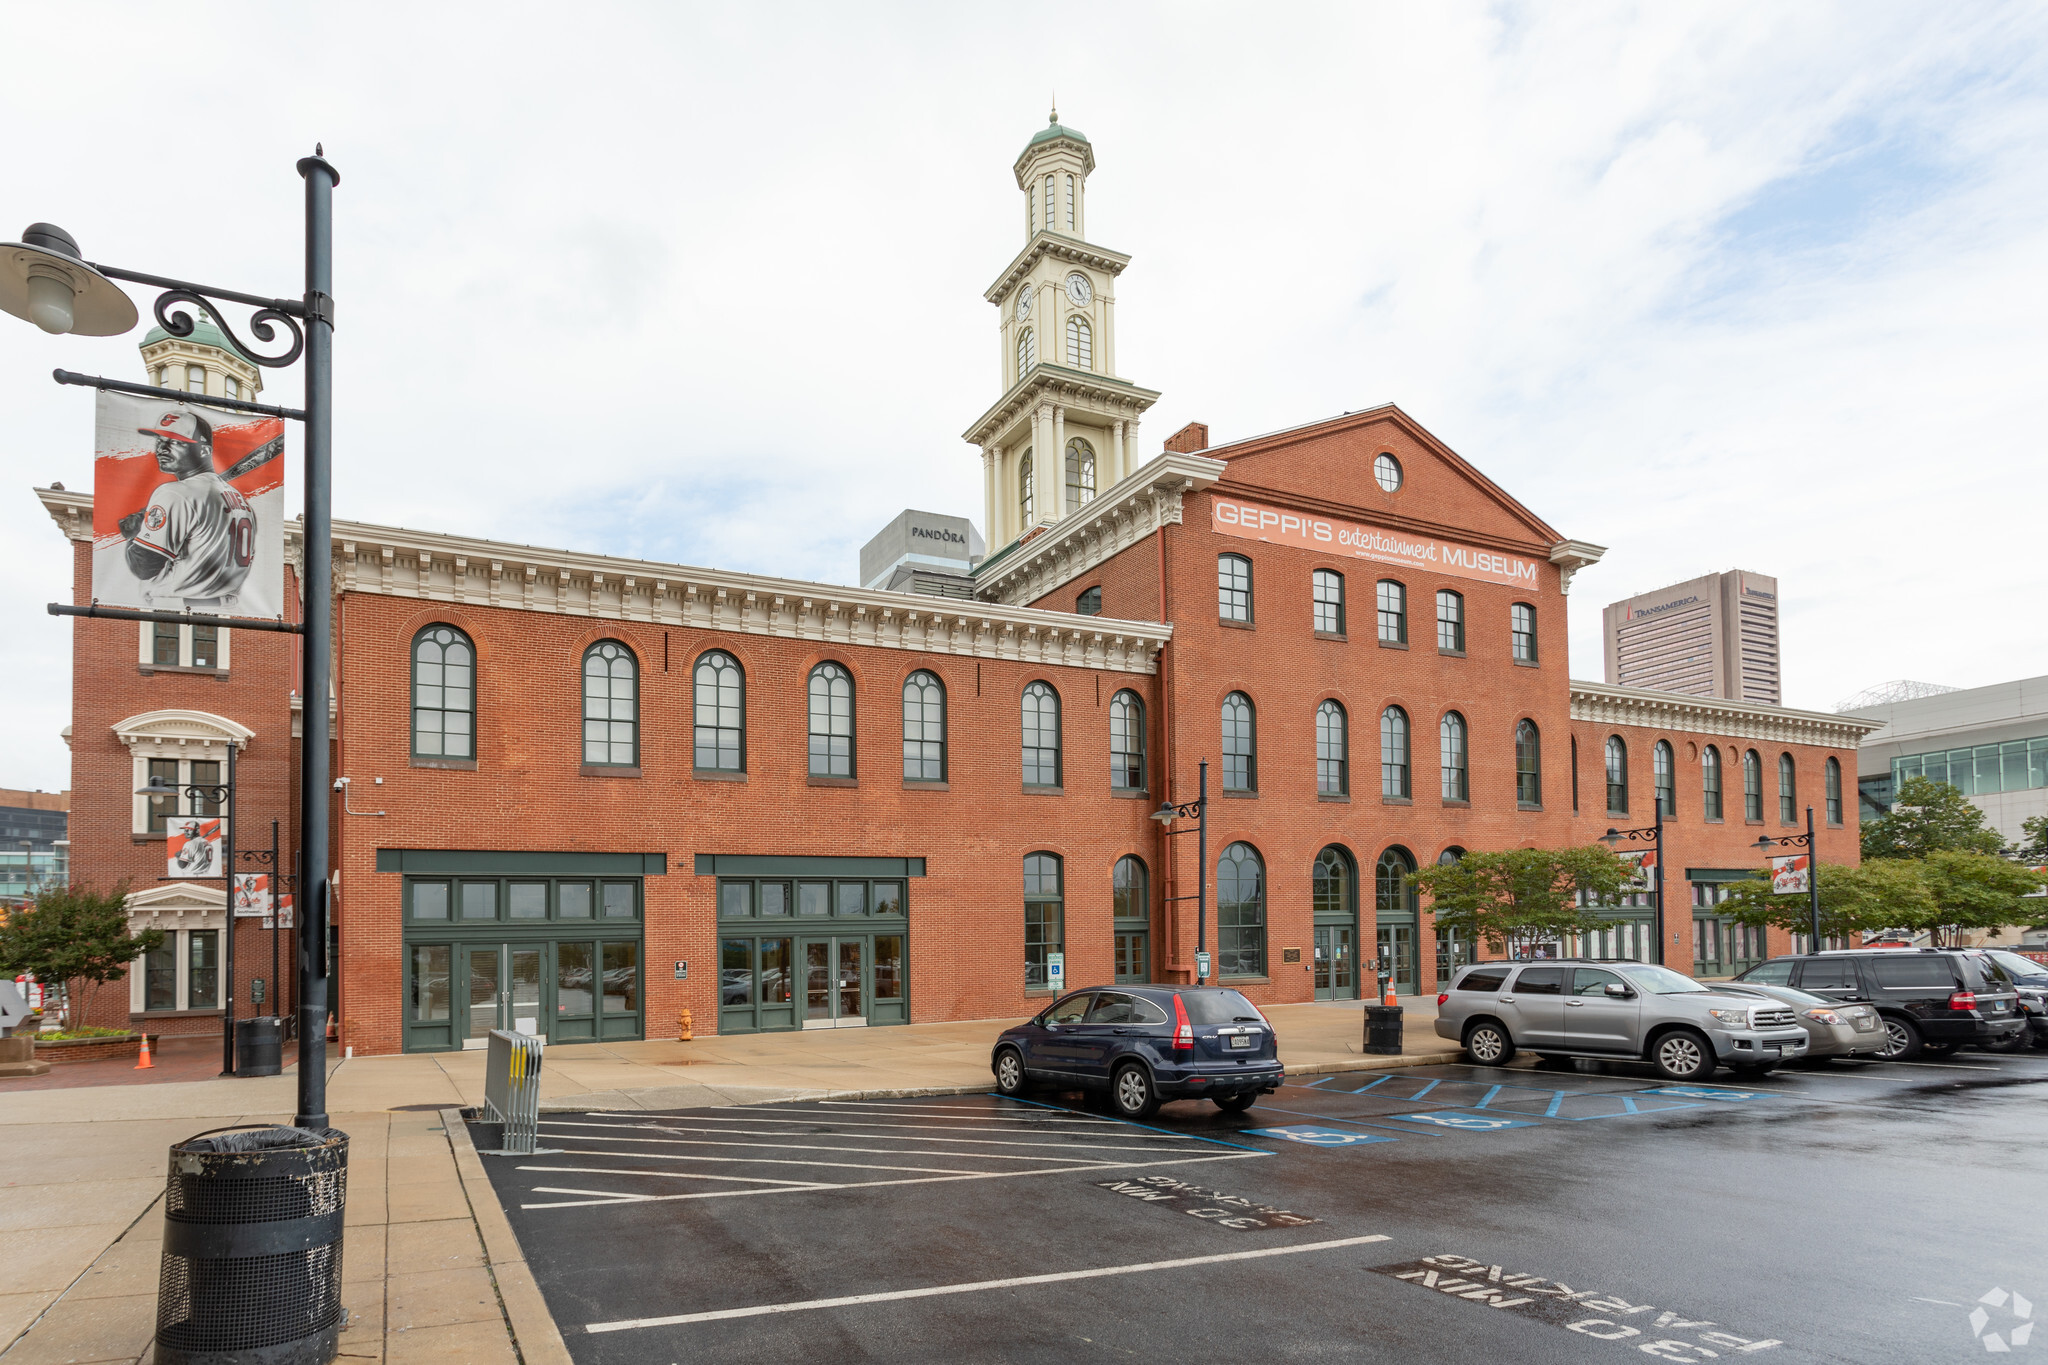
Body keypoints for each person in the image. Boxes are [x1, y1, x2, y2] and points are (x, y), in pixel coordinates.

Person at [118, 410, 255, 610]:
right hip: (224, 611)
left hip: (174, 609)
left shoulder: (175, 493)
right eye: (159, 440)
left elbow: (144, 566)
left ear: (204, 451)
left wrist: (137, 530)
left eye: (175, 442)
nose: (162, 448)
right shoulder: (240, 501)